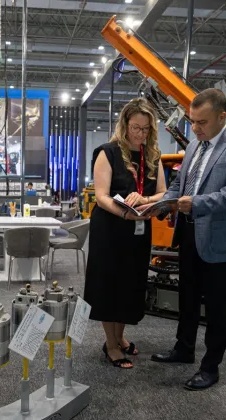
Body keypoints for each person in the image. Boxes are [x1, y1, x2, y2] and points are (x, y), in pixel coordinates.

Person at [141, 88, 226, 390]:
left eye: (202, 122)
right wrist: (160, 204)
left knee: (216, 306)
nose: (195, 128)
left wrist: (195, 203)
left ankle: (210, 367)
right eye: (192, 121)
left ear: (222, 116)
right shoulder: (195, 144)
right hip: (189, 232)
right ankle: (184, 349)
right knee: (188, 296)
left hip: (218, 237)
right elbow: (180, 185)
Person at [83, 97, 167, 369]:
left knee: (130, 285)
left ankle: (120, 336)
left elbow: (163, 193)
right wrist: (124, 213)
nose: (140, 134)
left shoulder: (153, 156)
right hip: (110, 229)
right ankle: (110, 343)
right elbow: (101, 196)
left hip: (138, 230)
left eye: (145, 129)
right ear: (125, 124)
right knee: (109, 285)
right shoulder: (107, 152)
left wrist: (145, 200)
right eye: (135, 128)